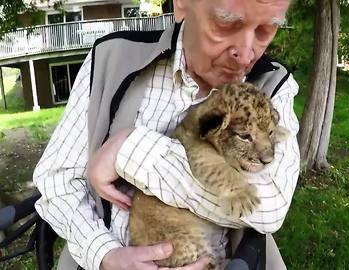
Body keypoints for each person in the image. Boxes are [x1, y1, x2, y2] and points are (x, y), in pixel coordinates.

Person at [32, 0, 300, 269]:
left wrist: (129, 150)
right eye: (226, 23)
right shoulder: (112, 57)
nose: (245, 53)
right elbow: (56, 181)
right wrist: (105, 254)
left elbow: (271, 207)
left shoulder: (274, 85)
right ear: (182, 3)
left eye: (266, 29)